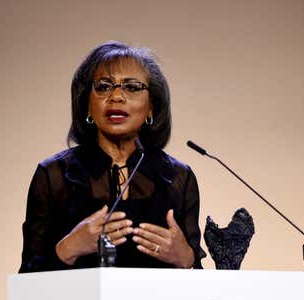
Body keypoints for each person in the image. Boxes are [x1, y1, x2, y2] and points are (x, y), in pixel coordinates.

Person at [19, 41, 205, 273]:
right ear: (87, 104)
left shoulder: (178, 178)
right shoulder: (54, 175)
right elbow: (27, 278)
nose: (116, 96)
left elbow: (199, 287)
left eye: (132, 87)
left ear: (152, 107)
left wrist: (185, 258)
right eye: (104, 86)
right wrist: (69, 248)